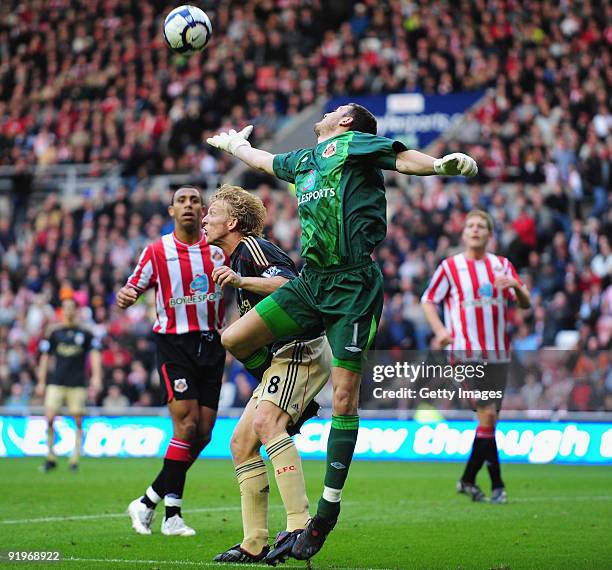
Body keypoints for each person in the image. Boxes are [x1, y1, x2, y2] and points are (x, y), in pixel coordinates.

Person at [206, 103, 478, 560]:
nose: (328, 111)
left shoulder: (353, 144)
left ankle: (324, 516)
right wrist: (237, 146)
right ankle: (297, 402)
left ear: (346, 121)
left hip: (354, 284)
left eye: (336, 109)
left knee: (346, 398)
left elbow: (405, 158)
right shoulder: (306, 160)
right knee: (234, 338)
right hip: (313, 282)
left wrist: (439, 166)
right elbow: (264, 162)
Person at [203, 185, 331, 565]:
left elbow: (293, 287)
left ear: (234, 222)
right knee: (241, 443)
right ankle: (254, 542)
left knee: (266, 422)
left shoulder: (252, 249)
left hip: (300, 349)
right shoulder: (234, 259)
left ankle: (298, 525)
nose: (206, 219)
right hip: (280, 358)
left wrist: (241, 282)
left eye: (213, 212)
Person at [117, 185, 226, 537]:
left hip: (212, 343)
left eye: (195, 201)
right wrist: (127, 295)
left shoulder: (218, 249)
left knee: (204, 434)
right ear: (171, 211)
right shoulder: (157, 250)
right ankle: (172, 516)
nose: (189, 206)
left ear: (204, 209)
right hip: (174, 345)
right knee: (186, 427)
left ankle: (148, 502)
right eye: (182, 201)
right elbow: (133, 286)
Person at [421, 209, 531, 504]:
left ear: (489, 234)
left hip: (498, 355)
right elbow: (428, 300)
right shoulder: (450, 267)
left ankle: (468, 480)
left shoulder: (502, 265)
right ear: (464, 232)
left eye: (481, 226)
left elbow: (526, 303)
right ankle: (498, 485)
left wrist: (517, 288)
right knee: (488, 415)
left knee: (488, 422)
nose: (475, 229)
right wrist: (440, 330)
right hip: (463, 354)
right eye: (470, 225)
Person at [36, 297, 103, 472]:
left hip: (77, 383)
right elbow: (44, 357)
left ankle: (74, 459)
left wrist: (96, 376)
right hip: (56, 381)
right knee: (49, 418)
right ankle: (50, 457)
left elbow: (95, 354)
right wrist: (41, 381)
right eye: (66, 308)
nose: (69, 311)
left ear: (76, 311)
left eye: (72, 308)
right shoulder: (54, 332)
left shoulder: (86, 333)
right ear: (62, 311)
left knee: (78, 421)